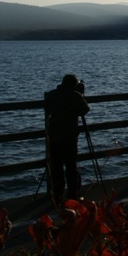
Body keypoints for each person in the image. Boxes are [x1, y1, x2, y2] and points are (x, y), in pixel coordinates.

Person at [44, 74, 90, 206]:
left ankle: (57, 196)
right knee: (71, 167)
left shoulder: (52, 95)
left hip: (54, 137)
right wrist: (80, 94)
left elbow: (47, 108)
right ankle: (72, 196)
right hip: (69, 137)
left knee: (56, 167)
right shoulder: (74, 95)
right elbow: (85, 109)